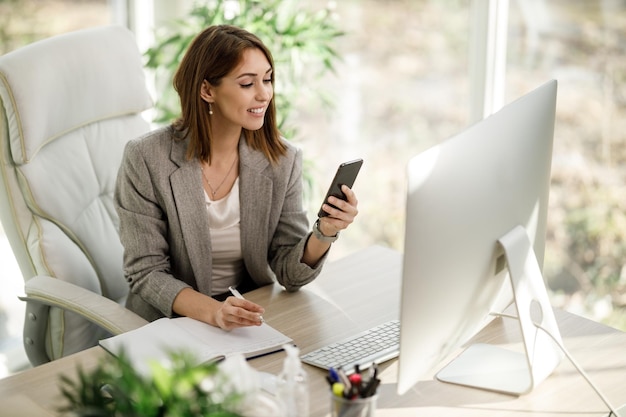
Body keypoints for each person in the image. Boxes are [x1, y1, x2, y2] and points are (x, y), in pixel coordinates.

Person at [114, 25, 359, 331]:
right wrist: (214, 312)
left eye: (267, 79)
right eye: (247, 83)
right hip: (168, 323)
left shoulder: (281, 160)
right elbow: (147, 273)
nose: (264, 94)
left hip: (244, 316)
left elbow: (290, 273)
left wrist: (325, 232)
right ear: (207, 90)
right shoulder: (147, 158)